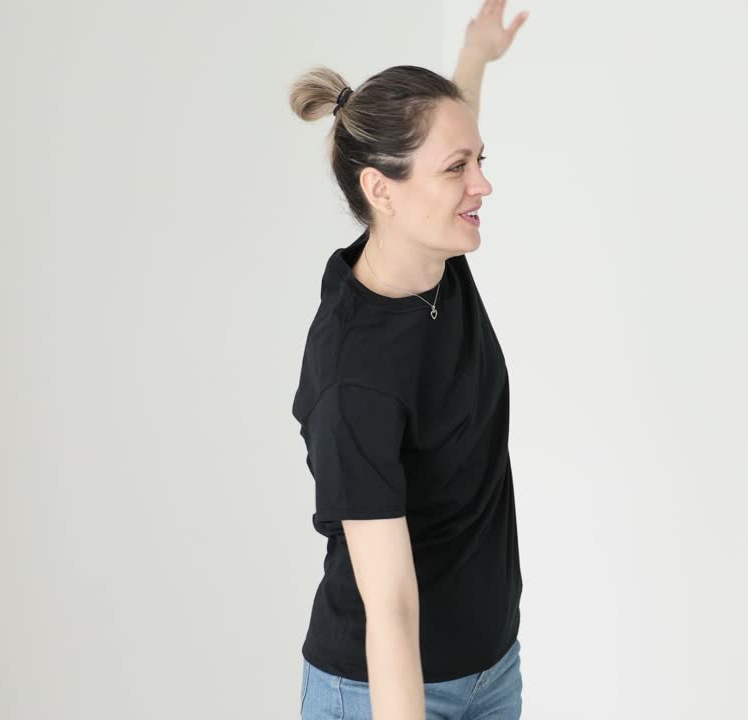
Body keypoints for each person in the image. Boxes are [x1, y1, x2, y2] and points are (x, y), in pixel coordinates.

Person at [286, 3, 529, 718]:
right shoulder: (353, 378)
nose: (481, 184)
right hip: (384, 692)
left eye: (480, 160)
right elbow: (388, 606)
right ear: (380, 191)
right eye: (459, 169)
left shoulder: (431, 254)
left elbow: (449, 134)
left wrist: (475, 55)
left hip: (492, 667)